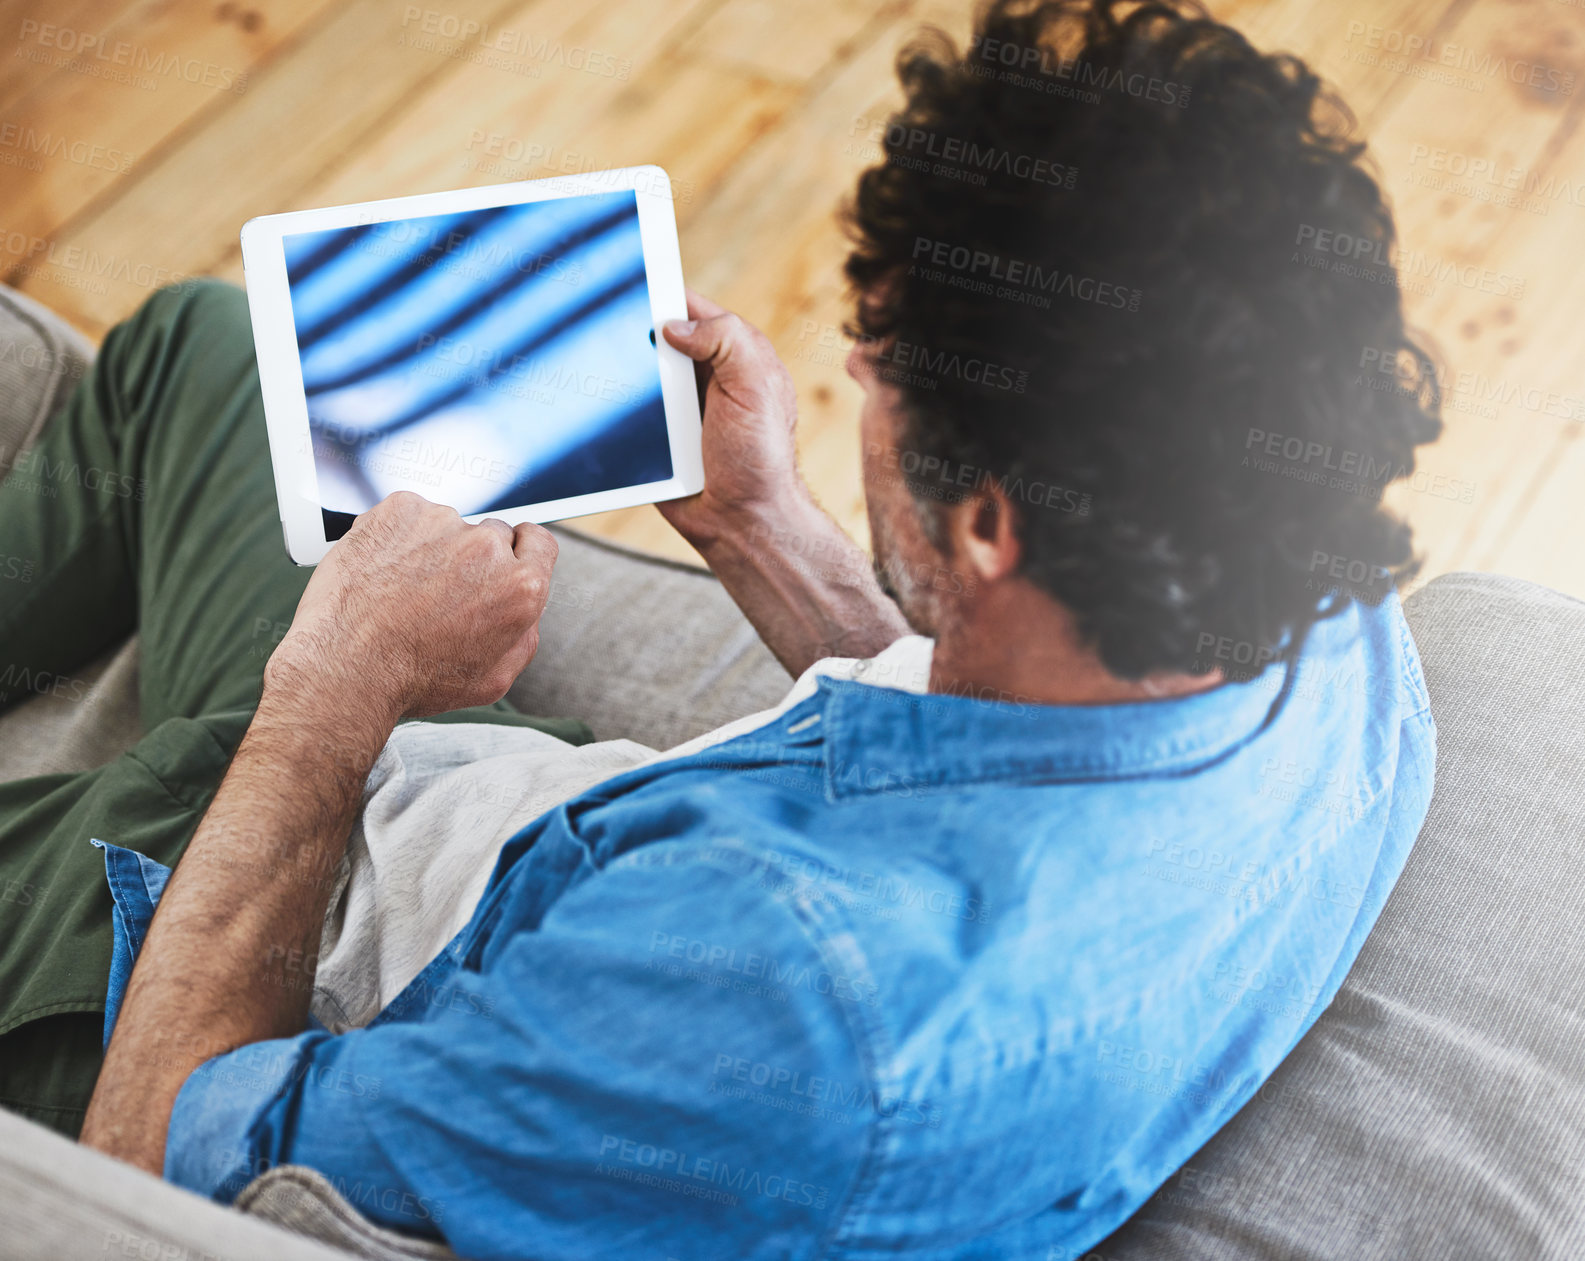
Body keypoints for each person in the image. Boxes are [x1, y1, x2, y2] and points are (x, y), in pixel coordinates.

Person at [0, 0, 1439, 1256]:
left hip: (236, 951)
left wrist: (335, 688)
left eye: (882, 364)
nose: (856, 369)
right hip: (522, 821)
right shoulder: (1332, 639)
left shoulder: (771, 1004)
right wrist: (758, 522)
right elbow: (987, 724)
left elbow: (149, 1180)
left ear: (994, 523)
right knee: (215, 342)